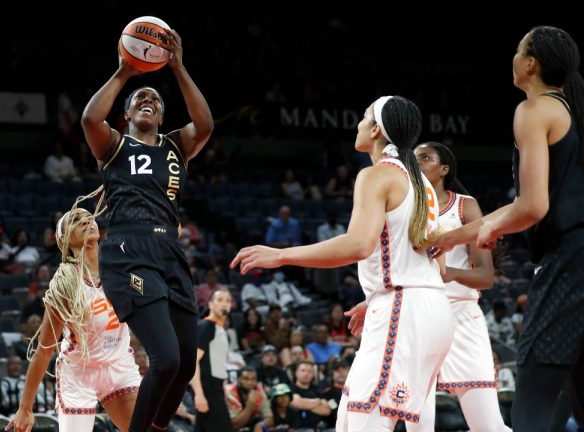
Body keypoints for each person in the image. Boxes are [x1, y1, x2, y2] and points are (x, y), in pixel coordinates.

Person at [231, 95, 453, 429]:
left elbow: (358, 245)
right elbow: (429, 256)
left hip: (403, 308)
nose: (359, 124)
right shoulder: (423, 184)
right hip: (428, 308)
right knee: (355, 417)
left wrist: (281, 255)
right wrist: (377, 296)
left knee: (363, 420)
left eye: (364, 117)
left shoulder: (378, 175)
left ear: (376, 129)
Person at [433, 26, 584, 432]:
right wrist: (471, 231)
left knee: (531, 399)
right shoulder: (575, 112)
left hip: (569, 261)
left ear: (531, 64)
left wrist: (479, 229)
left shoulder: (534, 110)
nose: (513, 58)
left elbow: (533, 205)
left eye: (518, 50)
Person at [80, 26, 213, 432]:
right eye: (140, 98)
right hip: (127, 249)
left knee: (185, 363)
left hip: (169, 250)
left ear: (162, 114)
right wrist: (125, 72)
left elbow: (204, 125)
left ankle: (155, 427)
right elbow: (89, 117)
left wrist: (178, 67)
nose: (148, 100)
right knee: (166, 359)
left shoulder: (176, 146)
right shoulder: (114, 145)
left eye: (154, 99)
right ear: (126, 113)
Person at [6, 206, 140, 432]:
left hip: (118, 365)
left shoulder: (121, 267)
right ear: (64, 239)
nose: (87, 220)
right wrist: (25, 408)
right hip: (79, 374)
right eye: (76, 220)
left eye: (89, 216)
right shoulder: (65, 284)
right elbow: (45, 349)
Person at [414, 141, 510, 431]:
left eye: (425, 157)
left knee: (488, 425)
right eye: (414, 157)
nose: (417, 162)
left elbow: (485, 276)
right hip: (419, 315)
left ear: (444, 169)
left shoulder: (464, 205)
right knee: (418, 421)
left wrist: (450, 273)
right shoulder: (406, 208)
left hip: (460, 313)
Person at [190, 290, 234, 432]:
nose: (224, 304)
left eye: (228, 301)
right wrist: (199, 394)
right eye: (220, 300)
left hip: (216, 389)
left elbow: (218, 365)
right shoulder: (206, 327)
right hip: (207, 390)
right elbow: (192, 362)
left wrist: (226, 393)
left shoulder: (221, 331)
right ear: (210, 304)